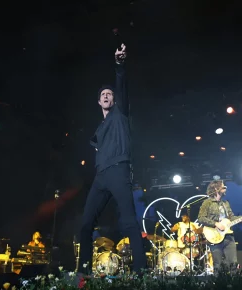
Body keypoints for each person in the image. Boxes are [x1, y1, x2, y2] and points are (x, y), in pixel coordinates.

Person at [79, 44, 146, 274]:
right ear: (98, 102)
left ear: (113, 100)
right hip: (101, 176)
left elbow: (121, 85)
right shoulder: (99, 129)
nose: (106, 96)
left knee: (128, 222)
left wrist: (119, 65)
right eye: (102, 95)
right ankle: (83, 273)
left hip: (118, 170)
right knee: (85, 225)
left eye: (109, 94)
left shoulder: (120, 114)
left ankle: (140, 273)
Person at [198, 180, 242, 271]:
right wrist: (215, 224)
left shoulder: (225, 203)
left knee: (233, 264)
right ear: (216, 189)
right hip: (214, 237)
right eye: (223, 187)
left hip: (228, 237)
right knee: (218, 266)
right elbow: (201, 218)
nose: (226, 188)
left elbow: (231, 218)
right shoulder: (207, 203)